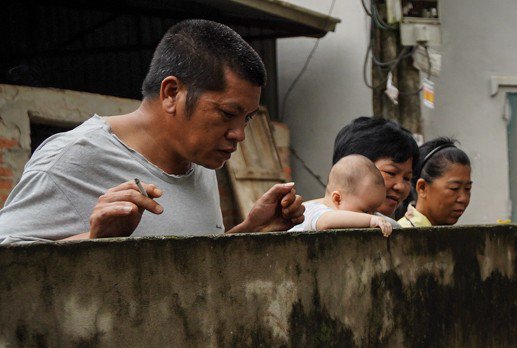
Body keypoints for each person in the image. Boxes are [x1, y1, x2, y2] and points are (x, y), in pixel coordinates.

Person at [0, 20, 303, 244]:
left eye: (247, 119)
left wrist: (250, 230)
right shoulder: (69, 160)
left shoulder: (198, 163)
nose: (239, 135)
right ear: (172, 93)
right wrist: (93, 242)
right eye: (227, 114)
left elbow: (186, 266)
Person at [331, 116, 418, 219]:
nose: (401, 186)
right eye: (391, 173)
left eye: (407, 178)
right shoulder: (315, 219)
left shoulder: (391, 227)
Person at [293, 155, 392, 236]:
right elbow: (326, 222)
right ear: (337, 199)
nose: (370, 215)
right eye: (365, 211)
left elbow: (382, 220)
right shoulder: (312, 210)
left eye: (373, 212)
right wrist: (370, 221)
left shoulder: (365, 212)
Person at [397, 138, 472, 228]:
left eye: (467, 188)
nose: (463, 199)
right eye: (454, 188)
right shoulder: (401, 233)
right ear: (422, 188)